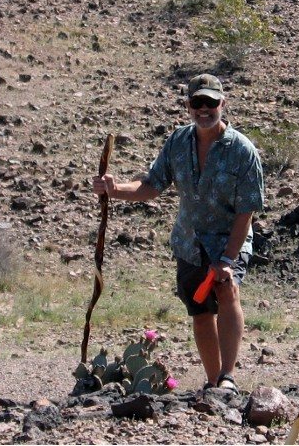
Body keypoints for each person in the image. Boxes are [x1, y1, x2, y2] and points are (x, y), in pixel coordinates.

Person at [92, 73, 265, 393]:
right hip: (190, 242)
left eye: (211, 103)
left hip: (229, 239)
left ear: (222, 104)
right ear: (188, 106)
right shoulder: (177, 142)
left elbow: (247, 211)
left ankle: (228, 377)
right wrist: (114, 190)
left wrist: (228, 257)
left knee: (227, 290)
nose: (204, 109)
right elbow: (151, 186)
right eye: (197, 102)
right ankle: (214, 383)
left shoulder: (242, 150)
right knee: (200, 311)